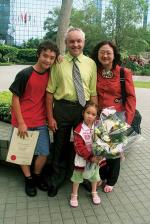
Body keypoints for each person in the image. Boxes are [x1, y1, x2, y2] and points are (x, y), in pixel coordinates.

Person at [46, 27, 97, 197]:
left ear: (84, 42)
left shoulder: (91, 64)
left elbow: (93, 92)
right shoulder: (58, 62)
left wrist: (94, 117)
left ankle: (85, 177)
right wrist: (50, 116)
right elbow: (50, 92)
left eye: (79, 41)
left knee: (85, 145)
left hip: (83, 110)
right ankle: (56, 179)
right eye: (71, 41)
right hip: (62, 109)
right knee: (59, 146)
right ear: (66, 43)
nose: (75, 44)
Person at [9, 40, 60, 197]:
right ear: (38, 54)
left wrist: (61, 58)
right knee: (22, 153)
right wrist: (21, 123)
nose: (48, 60)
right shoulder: (25, 74)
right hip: (22, 122)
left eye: (52, 58)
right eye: (45, 56)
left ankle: (37, 175)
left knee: (44, 152)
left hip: (39, 122)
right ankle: (28, 178)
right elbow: (15, 98)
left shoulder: (50, 74)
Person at [91, 41, 136, 192]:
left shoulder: (124, 73)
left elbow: (131, 98)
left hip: (116, 118)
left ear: (114, 55)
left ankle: (111, 180)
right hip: (98, 118)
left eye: (108, 52)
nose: (105, 55)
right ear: (97, 54)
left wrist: (127, 122)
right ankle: (101, 176)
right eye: (102, 52)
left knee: (114, 153)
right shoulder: (94, 71)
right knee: (100, 151)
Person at [70, 102, 101, 207]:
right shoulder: (79, 129)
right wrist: (90, 157)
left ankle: (94, 192)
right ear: (83, 113)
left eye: (93, 114)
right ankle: (74, 195)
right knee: (77, 177)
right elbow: (78, 147)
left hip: (95, 159)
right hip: (82, 159)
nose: (90, 116)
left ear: (96, 116)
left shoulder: (98, 127)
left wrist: (101, 153)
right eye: (88, 113)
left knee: (95, 176)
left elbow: (102, 141)